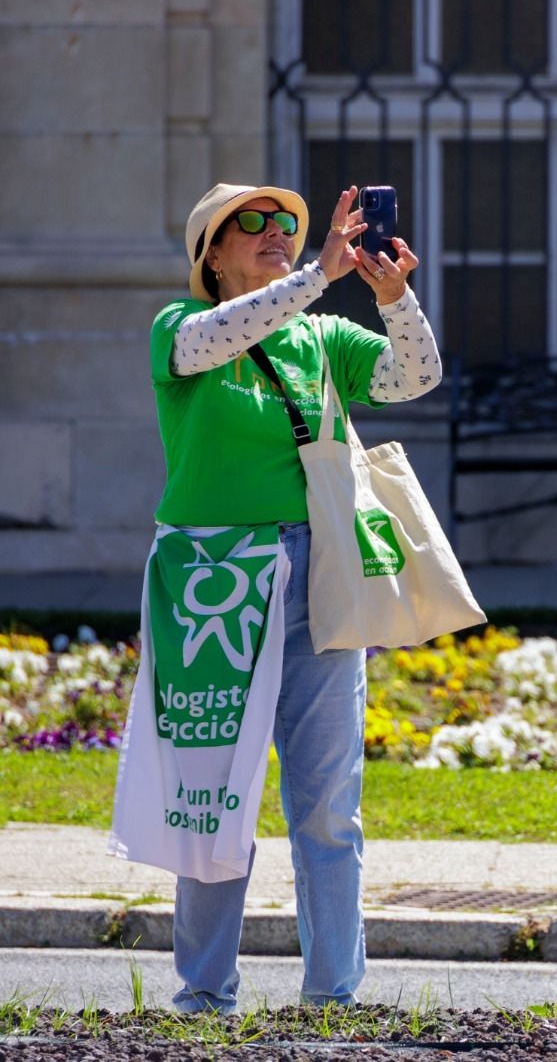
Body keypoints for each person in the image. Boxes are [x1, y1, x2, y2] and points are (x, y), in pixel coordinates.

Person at [148, 183, 443, 1012]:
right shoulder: (180, 329)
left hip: (319, 572)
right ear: (211, 252)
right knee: (214, 800)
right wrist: (314, 275)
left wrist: (396, 299)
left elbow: (414, 377)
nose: (278, 231)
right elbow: (221, 337)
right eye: (255, 223)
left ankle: (334, 996)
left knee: (326, 805)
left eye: (290, 223)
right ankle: (203, 996)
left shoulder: (320, 337)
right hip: (214, 580)